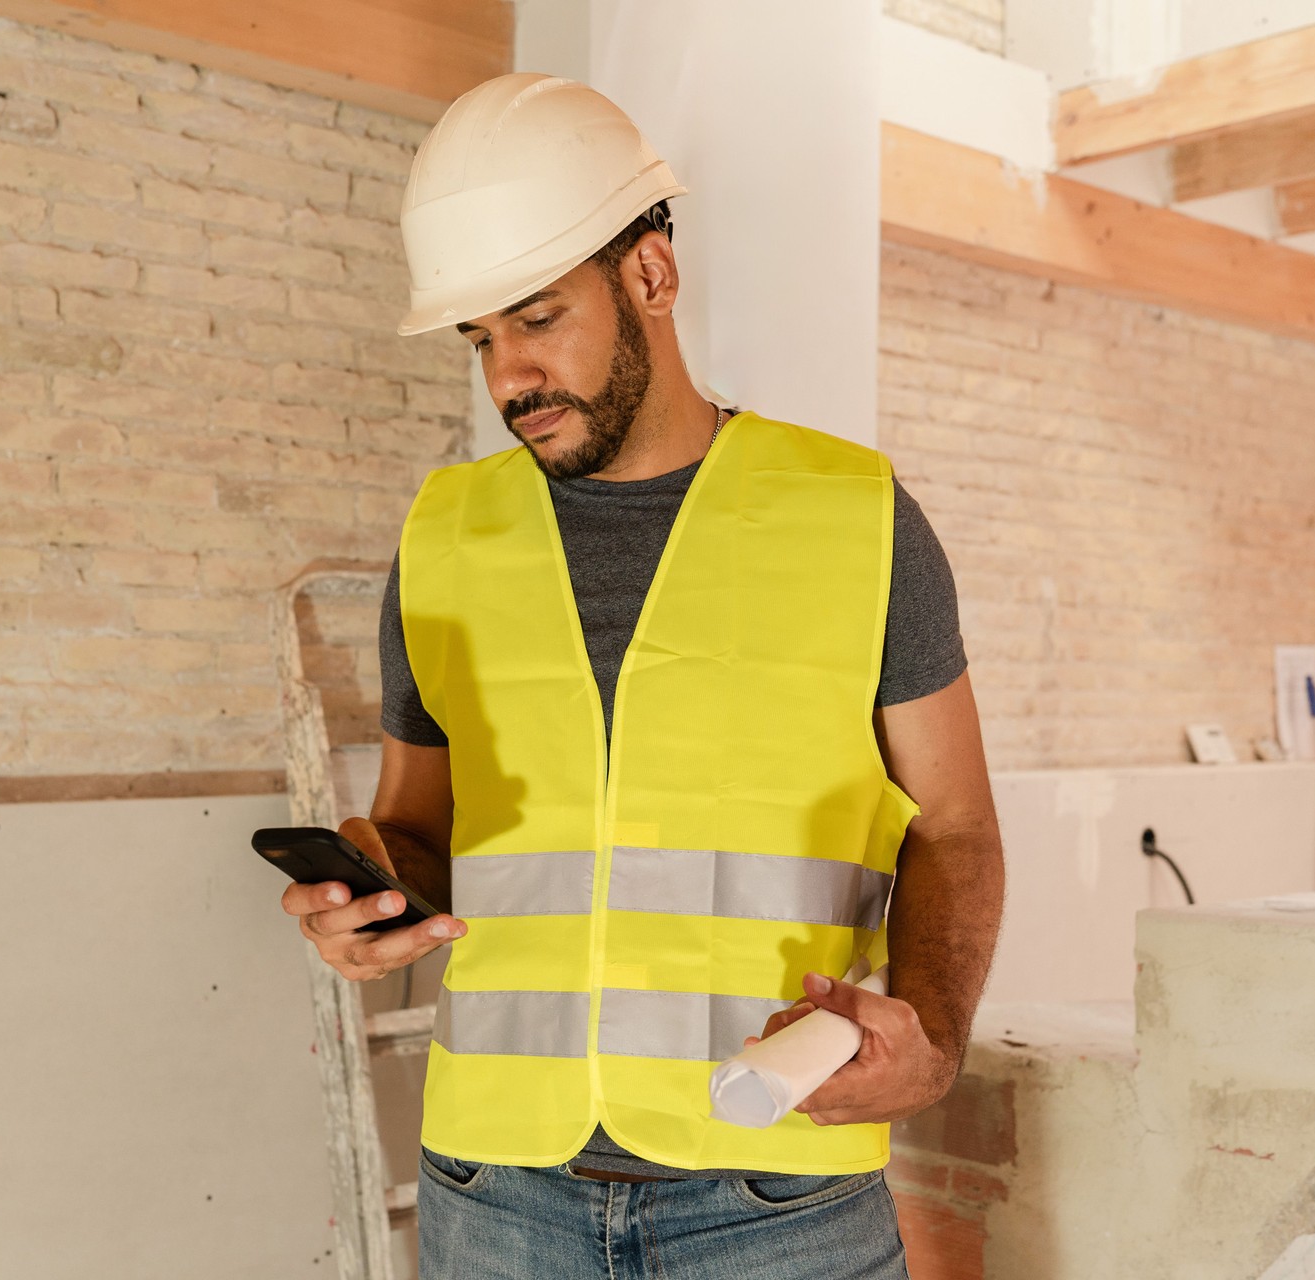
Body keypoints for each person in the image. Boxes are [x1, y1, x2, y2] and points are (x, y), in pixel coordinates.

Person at [280, 73, 1005, 1278]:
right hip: (495, 1192)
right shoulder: (445, 533)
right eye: (480, 339)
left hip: (773, 1193)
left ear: (651, 278)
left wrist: (931, 1037)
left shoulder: (857, 516)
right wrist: (370, 900)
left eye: (535, 318)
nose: (508, 376)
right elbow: (420, 823)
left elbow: (960, 824)